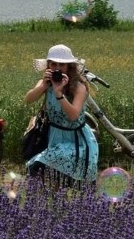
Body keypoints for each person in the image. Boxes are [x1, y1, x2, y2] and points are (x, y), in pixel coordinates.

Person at [24, 44, 98, 184]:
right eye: (53, 64)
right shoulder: (45, 84)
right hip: (54, 138)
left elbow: (73, 116)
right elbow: (28, 99)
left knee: (42, 170)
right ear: (48, 66)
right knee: (45, 178)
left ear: (69, 67)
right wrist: (43, 86)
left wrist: (59, 94)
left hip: (76, 141)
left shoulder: (79, 87)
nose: (57, 68)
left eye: (62, 65)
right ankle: (50, 204)